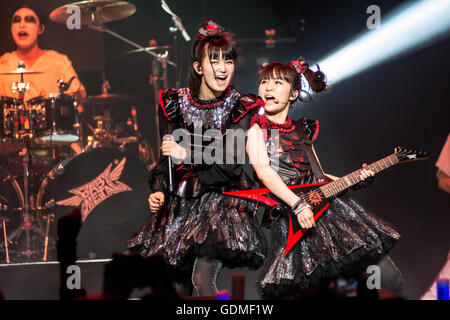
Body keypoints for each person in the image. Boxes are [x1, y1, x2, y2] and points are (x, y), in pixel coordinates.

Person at [127, 21, 266, 297]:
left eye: (229, 60)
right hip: (181, 207)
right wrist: (158, 190)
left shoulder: (239, 106)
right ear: (198, 67)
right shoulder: (173, 104)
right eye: (214, 60)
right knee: (177, 286)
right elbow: (165, 161)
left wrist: (187, 153)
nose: (223, 68)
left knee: (202, 279)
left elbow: (231, 162)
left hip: (221, 205)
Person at [246, 60, 402, 298]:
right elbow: (264, 172)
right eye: (264, 82)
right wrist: (298, 204)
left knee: (389, 279)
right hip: (296, 220)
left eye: (278, 82)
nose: (269, 87)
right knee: (310, 293)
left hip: (331, 215)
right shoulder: (257, 130)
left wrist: (356, 179)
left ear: (293, 94)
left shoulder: (301, 129)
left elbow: (319, 176)